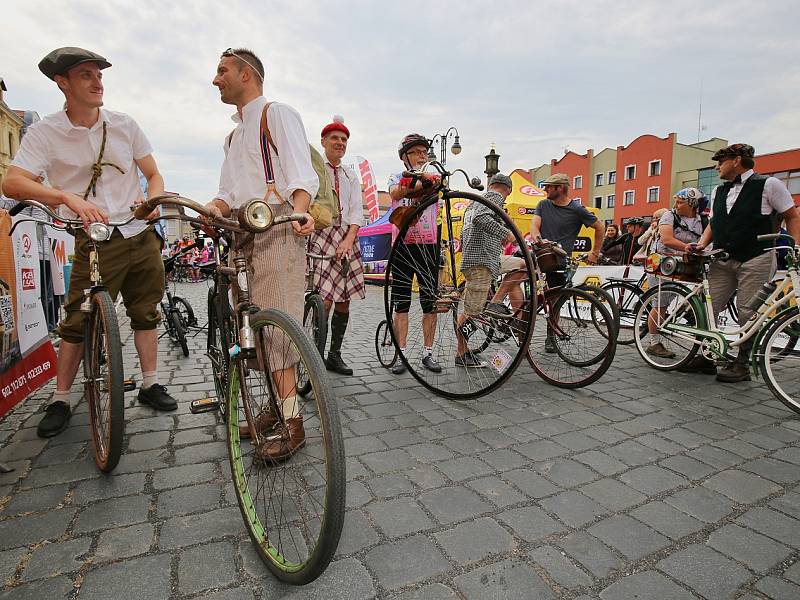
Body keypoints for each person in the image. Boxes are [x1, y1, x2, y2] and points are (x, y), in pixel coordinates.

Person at [2, 47, 177, 438]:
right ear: (62, 83)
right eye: (86, 75)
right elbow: (12, 182)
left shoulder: (123, 124)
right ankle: (61, 397)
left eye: (99, 75)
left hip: (138, 232)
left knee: (146, 311)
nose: (98, 82)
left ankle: (150, 383)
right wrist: (65, 197)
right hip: (94, 238)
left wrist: (151, 200)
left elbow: (153, 173)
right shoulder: (47, 132)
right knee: (77, 320)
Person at [204, 47, 317, 460]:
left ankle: (293, 422)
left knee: (275, 324)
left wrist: (301, 211)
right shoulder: (233, 136)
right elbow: (227, 191)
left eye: (222, 71)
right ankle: (275, 405)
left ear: (247, 74)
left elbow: (301, 174)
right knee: (251, 327)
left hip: (277, 224)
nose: (216, 79)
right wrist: (212, 208)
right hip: (242, 231)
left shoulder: (276, 113)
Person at [688, 143, 800, 382]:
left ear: (736, 160)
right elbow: (714, 224)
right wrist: (702, 244)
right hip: (722, 257)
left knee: (748, 311)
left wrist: (794, 247)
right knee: (707, 306)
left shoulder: (769, 184)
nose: (717, 166)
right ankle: (708, 357)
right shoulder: (719, 191)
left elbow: (791, 216)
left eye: (721, 161)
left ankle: (742, 364)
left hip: (756, 257)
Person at [309, 116, 366, 376]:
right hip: (321, 233)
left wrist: (349, 239)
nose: (340, 143)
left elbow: (356, 211)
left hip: (346, 236)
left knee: (344, 301)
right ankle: (315, 355)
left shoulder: (350, 175)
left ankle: (334, 354)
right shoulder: (313, 169)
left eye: (343, 140)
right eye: (335, 138)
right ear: (323, 141)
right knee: (325, 300)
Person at [530, 172, 605, 352]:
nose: (545, 189)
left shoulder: (577, 209)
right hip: (539, 256)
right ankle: (520, 333)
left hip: (558, 261)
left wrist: (595, 253)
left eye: (549, 186)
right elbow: (534, 225)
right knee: (530, 298)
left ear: (561, 188)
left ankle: (551, 336)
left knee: (555, 300)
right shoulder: (543, 204)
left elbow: (600, 227)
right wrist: (539, 240)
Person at [387, 134, 442, 375]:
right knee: (402, 304)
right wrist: (423, 184)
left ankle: (428, 353)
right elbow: (396, 193)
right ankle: (402, 353)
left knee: (430, 304)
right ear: (404, 158)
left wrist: (430, 181)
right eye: (416, 152)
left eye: (424, 151)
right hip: (403, 246)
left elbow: (437, 184)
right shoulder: (396, 177)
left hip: (428, 245)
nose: (422, 156)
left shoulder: (435, 174)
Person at [455, 173, 521, 367]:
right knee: (472, 311)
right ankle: (461, 353)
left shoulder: (472, 204)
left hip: (484, 258)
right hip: (480, 262)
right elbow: (481, 219)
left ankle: (497, 300)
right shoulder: (494, 197)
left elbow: (467, 229)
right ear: (507, 189)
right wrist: (507, 234)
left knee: (524, 266)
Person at [644, 190, 705, 358]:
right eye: (676, 201)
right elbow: (667, 239)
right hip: (663, 262)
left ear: (692, 205)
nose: (675, 205)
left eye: (680, 202)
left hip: (687, 263)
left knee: (693, 294)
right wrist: (686, 247)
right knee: (660, 302)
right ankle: (654, 343)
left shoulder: (704, 220)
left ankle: (684, 316)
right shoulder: (669, 216)